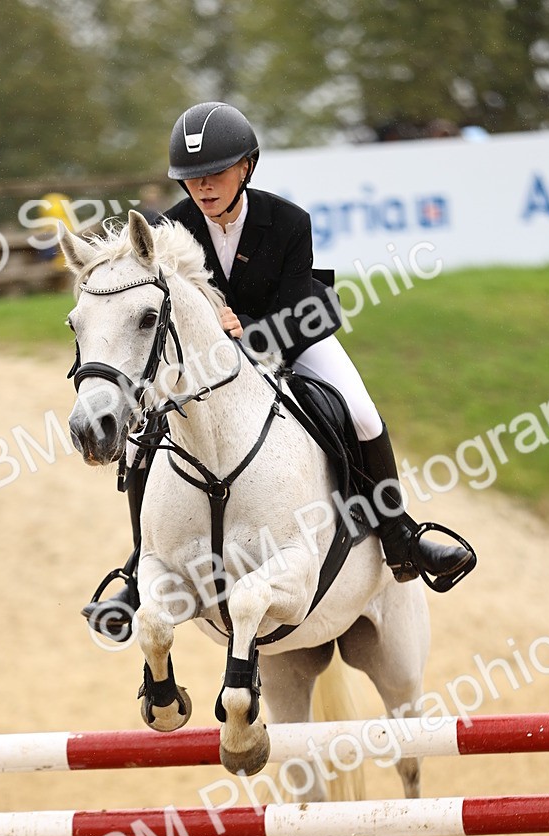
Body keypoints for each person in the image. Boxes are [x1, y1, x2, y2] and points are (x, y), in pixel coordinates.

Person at [83, 102, 475, 641]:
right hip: (208, 361)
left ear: (247, 166)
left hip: (290, 335)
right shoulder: (170, 227)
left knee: (359, 412)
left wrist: (240, 327)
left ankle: (399, 534)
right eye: (192, 177)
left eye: (216, 172)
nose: (203, 186)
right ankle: (138, 567)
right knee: (145, 437)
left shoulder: (289, 221)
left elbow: (294, 313)